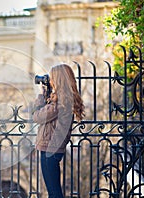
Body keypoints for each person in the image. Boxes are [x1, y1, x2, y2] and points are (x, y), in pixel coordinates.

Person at [33, 64, 85, 198]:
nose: (50, 81)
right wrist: (47, 93)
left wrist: (41, 95)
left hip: (51, 149)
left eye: (52, 78)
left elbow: (37, 116)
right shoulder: (62, 100)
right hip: (50, 148)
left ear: (59, 80)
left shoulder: (60, 103)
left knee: (54, 193)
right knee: (53, 191)